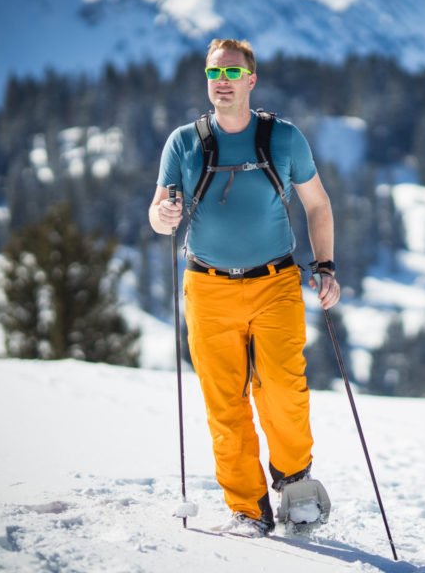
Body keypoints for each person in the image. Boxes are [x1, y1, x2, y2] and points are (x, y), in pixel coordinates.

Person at [149, 38, 340, 535]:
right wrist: (163, 213)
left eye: (233, 73)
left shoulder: (284, 138)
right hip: (207, 288)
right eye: (215, 74)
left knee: (283, 390)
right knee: (224, 402)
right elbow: (158, 213)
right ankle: (248, 509)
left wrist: (326, 266)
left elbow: (317, 205)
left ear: (251, 81)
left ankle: (297, 490)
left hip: (274, 282)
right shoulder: (183, 142)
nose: (223, 82)